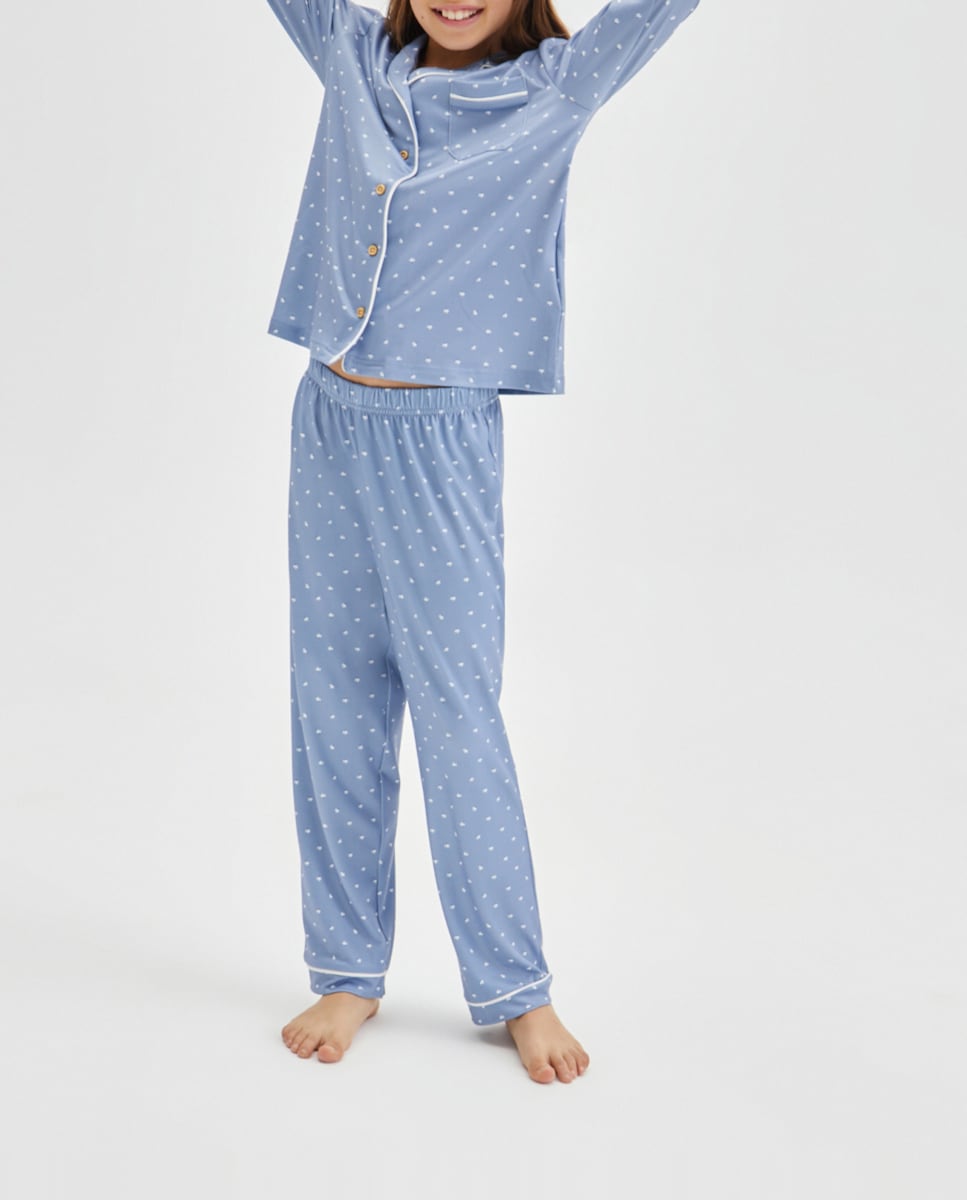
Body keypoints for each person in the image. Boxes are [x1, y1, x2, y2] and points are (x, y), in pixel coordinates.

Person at [266, 0, 703, 1084]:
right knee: (332, 699)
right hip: (327, 416)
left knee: (456, 708)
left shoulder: (556, 86)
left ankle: (516, 988)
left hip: (439, 437)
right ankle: (348, 969)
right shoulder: (352, 54)